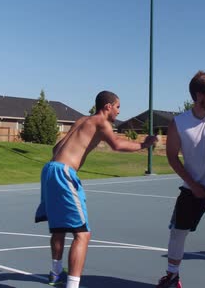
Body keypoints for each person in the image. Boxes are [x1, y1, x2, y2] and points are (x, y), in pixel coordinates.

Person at [35, 90, 158, 288]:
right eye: (118, 107)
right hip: (63, 173)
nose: (119, 112)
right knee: (82, 234)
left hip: (49, 170)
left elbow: (55, 148)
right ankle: (72, 285)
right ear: (108, 106)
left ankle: (55, 272)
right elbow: (117, 144)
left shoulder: (82, 120)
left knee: (59, 228)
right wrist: (145, 143)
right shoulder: (101, 122)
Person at [155, 71, 205, 288]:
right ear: (198, 96)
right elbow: (172, 157)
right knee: (177, 232)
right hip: (193, 189)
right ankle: (172, 276)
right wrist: (193, 185)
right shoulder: (179, 123)